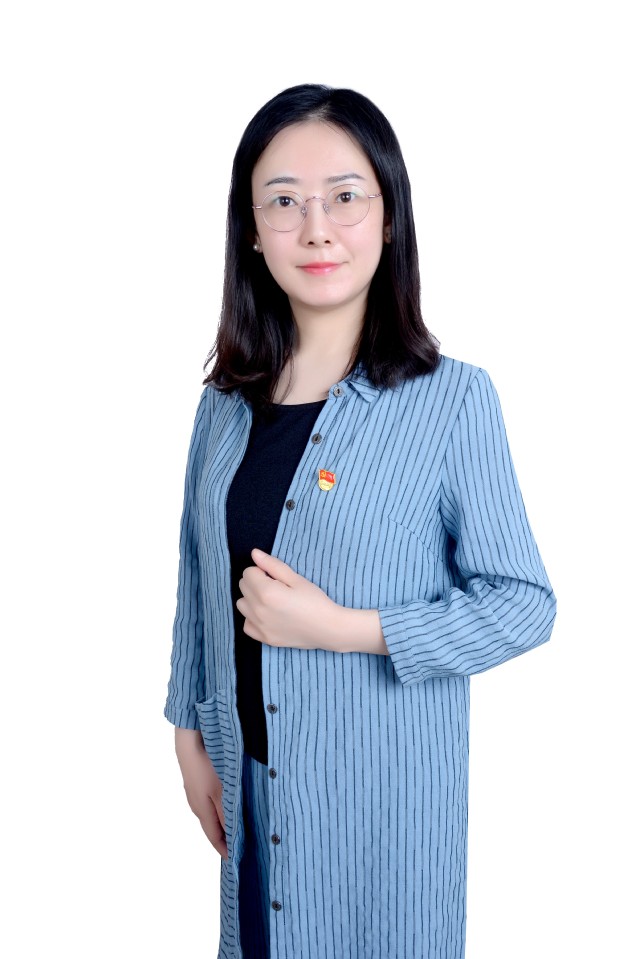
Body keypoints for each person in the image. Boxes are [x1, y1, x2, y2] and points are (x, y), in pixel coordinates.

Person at [164, 83, 557, 959]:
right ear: (251, 231)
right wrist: (187, 734)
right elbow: (197, 577)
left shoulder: (452, 400)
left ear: (388, 218)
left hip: (381, 802)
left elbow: (524, 602)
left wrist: (344, 628)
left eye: (344, 197)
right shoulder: (222, 406)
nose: (316, 229)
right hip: (249, 778)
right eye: (283, 202)